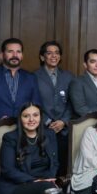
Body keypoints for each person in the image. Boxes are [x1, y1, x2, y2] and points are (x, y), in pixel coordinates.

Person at [0, 103, 60, 194]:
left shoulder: (50, 135)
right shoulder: (10, 138)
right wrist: (37, 181)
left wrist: (49, 179)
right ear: (20, 118)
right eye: (26, 116)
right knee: (50, 189)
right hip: (15, 189)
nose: (31, 119)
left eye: (35, 115)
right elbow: (8, 170)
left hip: (42, 189)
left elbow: (55, 163)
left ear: (41, 117)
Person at [0, 38, 41, 127]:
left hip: (23, 130)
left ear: (22, 56)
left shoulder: (31, 78)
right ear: (1, 55)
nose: (15, 55)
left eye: (18, 52)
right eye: (10, 51)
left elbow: (36, 105)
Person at [34, 41, 74, 175]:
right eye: (49, 53)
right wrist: (47, 121)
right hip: (42, 129)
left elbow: (71, 103)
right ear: (42, 57)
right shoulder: (33, 77)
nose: (53, 56)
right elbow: (33, 103)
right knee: (45, 167)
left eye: (57, 53)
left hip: (64, 130)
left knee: (63, 167)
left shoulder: (68, 76)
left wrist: (63, 121)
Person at [69, 49, 97, 117]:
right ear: (85, 65)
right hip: (86, 123)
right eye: (93, 62)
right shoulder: (77, 82)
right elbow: (80, 108)